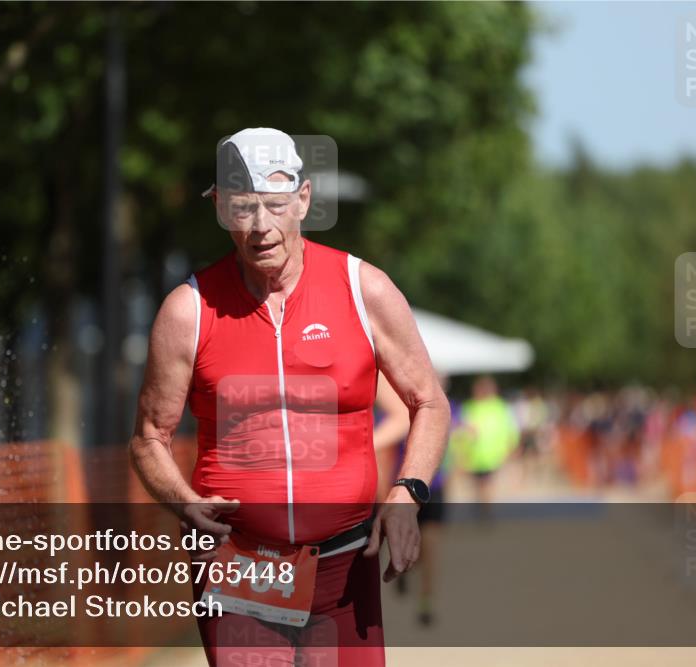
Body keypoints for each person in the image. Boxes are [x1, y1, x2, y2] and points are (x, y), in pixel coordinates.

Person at [129, 128, 450, 665]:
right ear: (220, 207)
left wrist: (407, 494)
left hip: (345, 565)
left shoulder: (362, 287)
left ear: (303, 199)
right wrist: (182, 500)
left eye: (275, 206)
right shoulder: (188, 309)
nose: (260, 227)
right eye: (242, 209)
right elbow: (148, 438)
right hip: (240, 567)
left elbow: (429, 403)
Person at [374, 373, 451, 626]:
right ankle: (405, 565)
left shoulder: (443, 413)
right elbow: (385, 457)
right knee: (410, 547)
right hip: (401, 491)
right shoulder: (397, 415)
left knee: (430, 548)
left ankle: (426, 601)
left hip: (433, 490)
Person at [457, 375, 518, 506]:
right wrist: (461, 452)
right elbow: (461, 431)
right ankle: (482, 509)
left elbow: (511, 430)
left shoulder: (500, 407)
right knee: (478, 487)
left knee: (486, 486)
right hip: (473, 455)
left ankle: (485, 511)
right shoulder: (470, 406)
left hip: (493, 455)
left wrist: (510, 448)